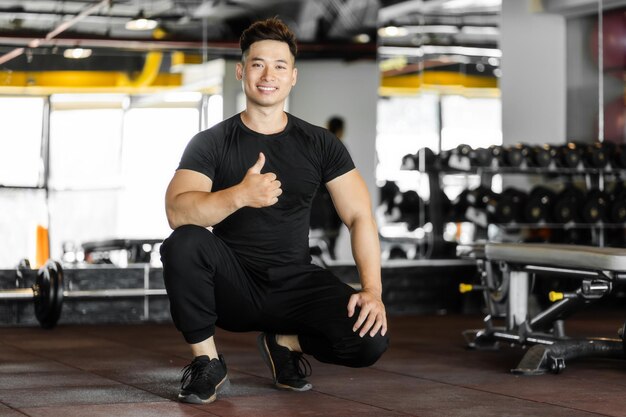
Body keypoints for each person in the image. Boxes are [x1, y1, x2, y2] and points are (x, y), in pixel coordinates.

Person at [160, 17, 389, 405]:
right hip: (233, 288)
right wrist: (239, 196)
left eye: (280, 66)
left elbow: (359, 216)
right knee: (183, 242)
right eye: (258, 64)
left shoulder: (320, 144)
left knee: (369, 340)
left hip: (295, 283)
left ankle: (284, 341)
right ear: (241, 71)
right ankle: (208, 364)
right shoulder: (210, 142)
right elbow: (177, 212)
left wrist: (372, 290)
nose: (269, 75)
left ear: (293, 76)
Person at [309, 116, 345, 259]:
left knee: (319, 245)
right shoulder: (338, 148)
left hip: (318, 204)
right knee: (329, 247)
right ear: (341, 130)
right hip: (331, 205)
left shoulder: (318, 147)